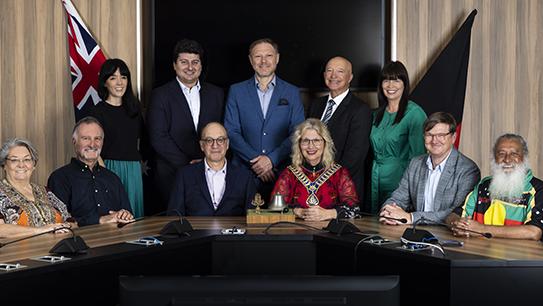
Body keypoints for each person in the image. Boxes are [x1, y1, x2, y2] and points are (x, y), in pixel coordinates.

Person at [147, 39, 224, 210]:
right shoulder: (160, 95)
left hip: (211, 171)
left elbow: (221, 132)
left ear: (201, 66)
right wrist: (187, 164)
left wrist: (207, 162)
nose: (190, 67)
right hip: (172, 172)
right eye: (184, 62)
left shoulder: (216, 94)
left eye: (195, 62)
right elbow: (158, 137)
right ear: (175, 65)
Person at [225, 38, 304, 200]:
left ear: (277, 58)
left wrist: (271, 160)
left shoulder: (292, 92)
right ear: (250, 60)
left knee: (282, 223)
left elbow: (298, 133)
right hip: (243, 173)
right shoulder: (236, 91)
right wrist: (257, 162)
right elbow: (231, 132)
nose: (263, 61)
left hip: (282, 174)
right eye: (258, 56)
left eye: (268, 55)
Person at [379, 112, 480, 225]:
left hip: (448, 234)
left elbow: (455, 213)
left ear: (453, 138)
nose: (434, 140)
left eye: (441, 135)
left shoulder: (468, 170)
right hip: (416, 232)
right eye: (429, 135)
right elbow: (399, 197)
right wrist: (388, 212)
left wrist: (411, 217)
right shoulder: (415, 163)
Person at [447, 134, 543, 240]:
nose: (507, 159)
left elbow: (534, 232)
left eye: (514, 154)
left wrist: (482, 230)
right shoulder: (484, 185)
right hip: (479, 252)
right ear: (494, 158)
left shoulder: (538, 190)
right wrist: (457, 224)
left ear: (524, 157)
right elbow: (454, 215)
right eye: (501, 154)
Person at [48, 117, 134, 226]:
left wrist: (125, 215)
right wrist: (100, 220)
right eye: (86, 138)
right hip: (78, 241)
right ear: (74, 142)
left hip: (118, 239)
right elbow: (59, 222)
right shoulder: (59, 178)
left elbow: (128, 213)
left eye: (97, 138)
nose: (92, 144)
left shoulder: (113, 178)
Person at [307, 56, 371, 201]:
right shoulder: (315, 105)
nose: (333, 76)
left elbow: (355, 155)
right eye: (329, 71)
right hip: (312, 185)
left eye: (340, 71)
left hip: (342, 188)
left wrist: (326, 182)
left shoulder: (360, 109)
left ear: (350, 77)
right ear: (324, 75)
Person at [271, 119, 359, 221]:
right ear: (299, 144)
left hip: (330, 234)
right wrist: (297, 212)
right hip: (296, 232)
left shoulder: (339, 173)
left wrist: (328, 214)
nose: (311, 146)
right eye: (305, 141)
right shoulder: (289, 174)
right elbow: (274, 209)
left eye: (316, 140)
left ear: (325, 143)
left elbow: (354, 210)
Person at [369, 61, 427, 213]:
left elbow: (418, 157)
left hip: (400, 181)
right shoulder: (376, 114)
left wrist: (408, 190)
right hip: (375, 180)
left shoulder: (414, 113)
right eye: (386, 80)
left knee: (392, 223)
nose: (390, 85)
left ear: (404, 84)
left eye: (396, 80)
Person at [90, 58, 144, 218]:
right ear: (105, 82)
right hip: (109, 167)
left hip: (133, 170)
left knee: (133, 214)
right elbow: (92, 147)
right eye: (113, 78)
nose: (119, 82)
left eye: (124, 77)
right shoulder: (97, 112)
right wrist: (104, 173)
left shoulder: (135, 111)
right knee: (114, 214)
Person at [167, 122, 256, 216]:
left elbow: (252, 218)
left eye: (220, 140)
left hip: (233, 230)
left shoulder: (245, 177)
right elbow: (174, 215)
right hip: (194, 230)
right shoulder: (184, 175)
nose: (215, 145)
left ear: (227, 144)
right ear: (202, 145)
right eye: (209, 140)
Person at [0, 138, 72, 237]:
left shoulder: (45, 191)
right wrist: (40, 230)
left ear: (33, 165)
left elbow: (70, 221)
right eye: (14, 160)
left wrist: (64, 227)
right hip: (20, 251)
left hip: (57, 248)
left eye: (27, 159)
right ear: (4, 164)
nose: (21, 165)